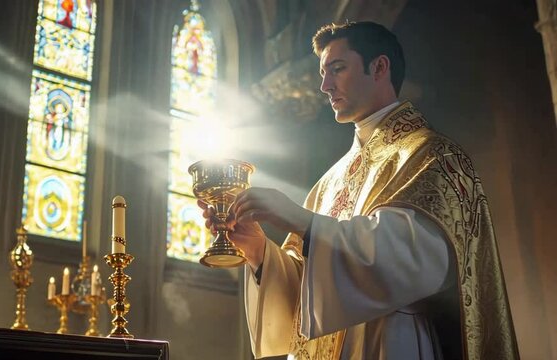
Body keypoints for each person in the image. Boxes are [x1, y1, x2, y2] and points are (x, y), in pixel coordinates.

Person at [198, 21, 519, 359]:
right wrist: (260, 251)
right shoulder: (330, 181)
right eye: (323, 72)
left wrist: (304, 221)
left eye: (337, 69)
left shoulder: (431, 155)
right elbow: (307, 298)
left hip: (393, 342)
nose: (324, 85)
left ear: (379, 67)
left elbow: (416, 262)